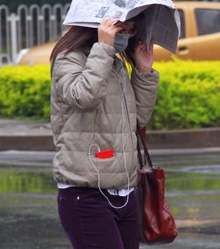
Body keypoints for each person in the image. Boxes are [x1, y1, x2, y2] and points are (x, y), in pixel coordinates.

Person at [49, 15, 159, 249]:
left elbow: (135, 119)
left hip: (126, 192)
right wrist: (102, 49)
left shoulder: (115, 63)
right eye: (120, 30)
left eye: (130, 31)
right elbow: (83, 98)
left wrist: (144, 71)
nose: (126, 37)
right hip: (86, 193)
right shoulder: (68, 58)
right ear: (97, 27)